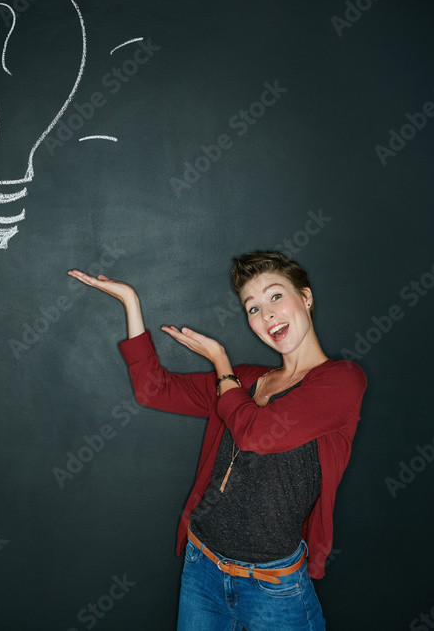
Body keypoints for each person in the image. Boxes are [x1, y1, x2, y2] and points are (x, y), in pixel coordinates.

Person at [68, 250, 366, 630]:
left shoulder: (342, 380)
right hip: (202, 566)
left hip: (272, 586)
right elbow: (152, 389)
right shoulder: (245, 379)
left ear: (305, 298)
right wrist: (131, 301)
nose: (267, 314)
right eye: (253, 308)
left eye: (276, 296)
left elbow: (256, 433)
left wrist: (220, 362)